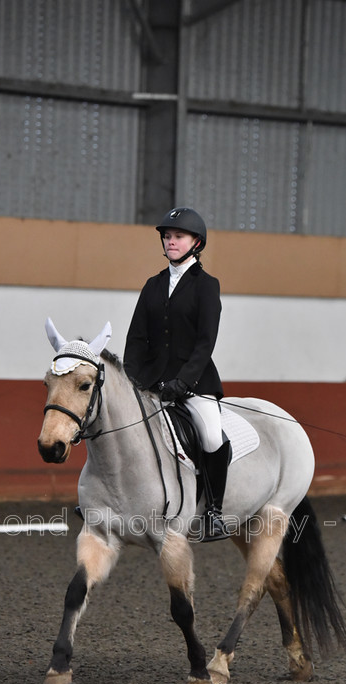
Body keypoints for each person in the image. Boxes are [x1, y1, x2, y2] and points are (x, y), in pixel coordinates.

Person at [123, 206, 230, 541]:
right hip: (152, 382)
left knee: (212, 436)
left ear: (196, 242)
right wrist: (131, 379)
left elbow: (205, 342)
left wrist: (184, 382)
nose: (171, 241)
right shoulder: (153, 285)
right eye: (167, 236)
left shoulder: (206, 286)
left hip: (194, 384)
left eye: (178, 237)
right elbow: (137, 336)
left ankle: (213, 510)